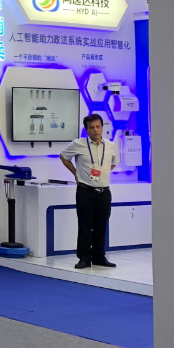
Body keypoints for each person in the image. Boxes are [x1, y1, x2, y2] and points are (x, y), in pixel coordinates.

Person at [59, 113, 119, 269]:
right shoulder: (78, 144)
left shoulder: (110, 145)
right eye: (92, 127)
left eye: (98, 126)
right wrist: (76, 173)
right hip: (85, 191)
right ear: (87, 130)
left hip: (104, 191)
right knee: (85, 225)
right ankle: (84, 257)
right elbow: (64, 157)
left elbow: (113, 163)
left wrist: (102, 173)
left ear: (102, 127)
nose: (96, 130)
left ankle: (99, 256)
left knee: (101, 224)